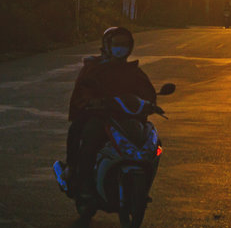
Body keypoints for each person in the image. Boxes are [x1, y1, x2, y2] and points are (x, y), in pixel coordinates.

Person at [56, 26, 156, 198]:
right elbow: (83, 91)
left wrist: (149, 104)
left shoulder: (134, 71)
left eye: (125, 44)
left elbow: (147, 92)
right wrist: (93, 102)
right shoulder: (94, 68)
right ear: (107, 45)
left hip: (127, 119)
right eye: (117, 44)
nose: (121, 48)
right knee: (90, 137)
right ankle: (83, 183)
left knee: (151, 141)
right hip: (100, 118)